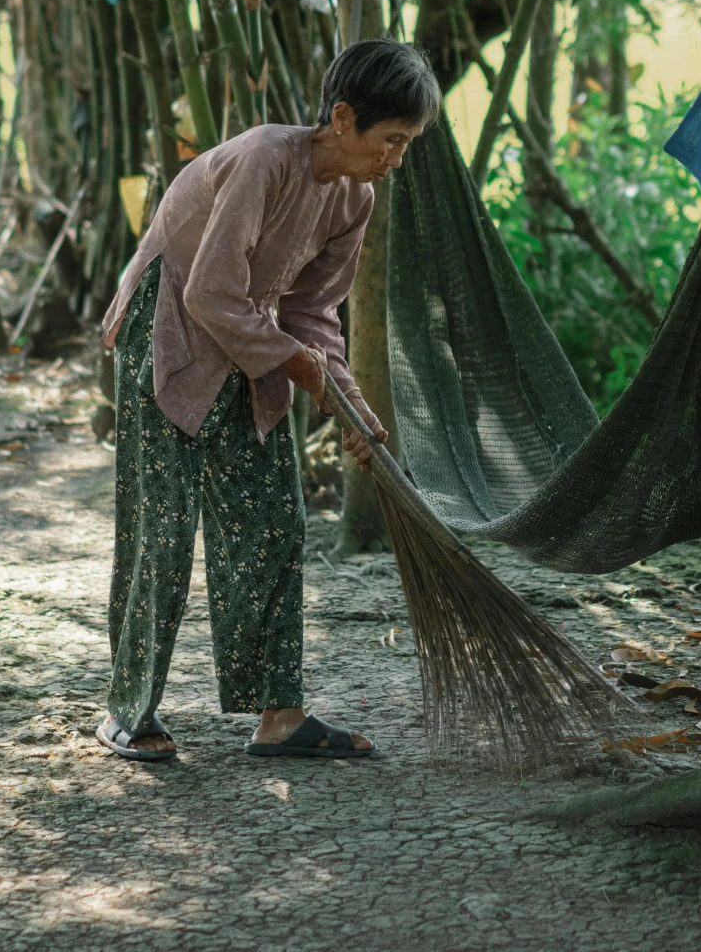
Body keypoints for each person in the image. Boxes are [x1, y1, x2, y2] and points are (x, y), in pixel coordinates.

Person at [93, 39, 441, 761]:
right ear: (343, 118)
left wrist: (347, 400)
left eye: (407, 145)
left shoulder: (356, 197)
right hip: (171, 329)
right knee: (161, 529)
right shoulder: (264, 158)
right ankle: (129, 710)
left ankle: (279, 715)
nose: (395, 159)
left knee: (272, 521)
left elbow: (315, 314)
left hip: (248, 337)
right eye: (392, 141)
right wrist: (295, 363)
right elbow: (208, 289)